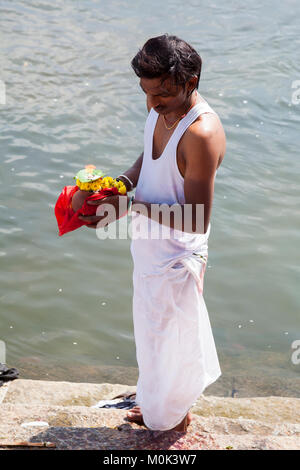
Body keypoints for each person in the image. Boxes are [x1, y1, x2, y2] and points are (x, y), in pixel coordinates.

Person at [79, 34, 226, 432]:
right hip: (150, 248)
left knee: (175, 341)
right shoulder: (161, 110)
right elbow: (149, 156)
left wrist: (132, 207)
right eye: (146, 93)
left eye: (163, 92)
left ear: (191, 81)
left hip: (178, 256)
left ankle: (177, 422)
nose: (153, 102)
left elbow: (197, 219)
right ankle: (159, 404)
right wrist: (118, 187)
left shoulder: (201, 133)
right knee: (152, 334)